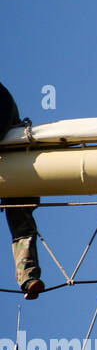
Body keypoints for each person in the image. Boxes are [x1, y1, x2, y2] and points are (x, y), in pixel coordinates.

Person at [1, 82, 43, 300]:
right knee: (21, 225)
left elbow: (4, 114)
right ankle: (28, 276)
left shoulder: (2, 97)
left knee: (21, 223)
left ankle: (28, 276)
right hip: (14, 164)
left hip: (17, 159)